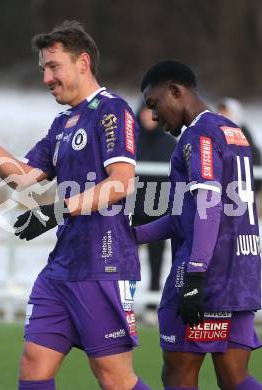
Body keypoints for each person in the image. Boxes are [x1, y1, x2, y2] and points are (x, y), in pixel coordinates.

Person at [0, 21, 150, 390]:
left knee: (114, 379)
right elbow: (22, 177)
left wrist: (57, 209)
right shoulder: (63, 123)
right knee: (34, 367)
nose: (46, 78)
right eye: (43, 70)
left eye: (54, 67)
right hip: (62, 268)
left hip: (103, 265)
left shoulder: (112, 110)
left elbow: (120, 183)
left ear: (83, 62)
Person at [133, 60, 262, 389]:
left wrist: (195, 274)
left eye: (154, 104)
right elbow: (184, 218)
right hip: (241, 277)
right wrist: (128, 235)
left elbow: (208, 205)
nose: (154, 116)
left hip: (204, 278)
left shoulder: (199, 135)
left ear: (176, 92)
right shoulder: (233, 132)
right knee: (236, 379)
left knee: (177, 376)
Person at [132, 104, 176, 323]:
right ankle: (121, 303)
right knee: (125, 259)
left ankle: (152, 307)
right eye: (145, 112)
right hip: (131, 212)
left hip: (159, 214)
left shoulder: (170, 143)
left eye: (153, 113)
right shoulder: (128, 142)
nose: (148, 117)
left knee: (157, 261)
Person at [217, 97, 262, 193]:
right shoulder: (215, 134)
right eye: (220, 112)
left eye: (226, 112)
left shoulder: (246, 139)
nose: (222, 115)